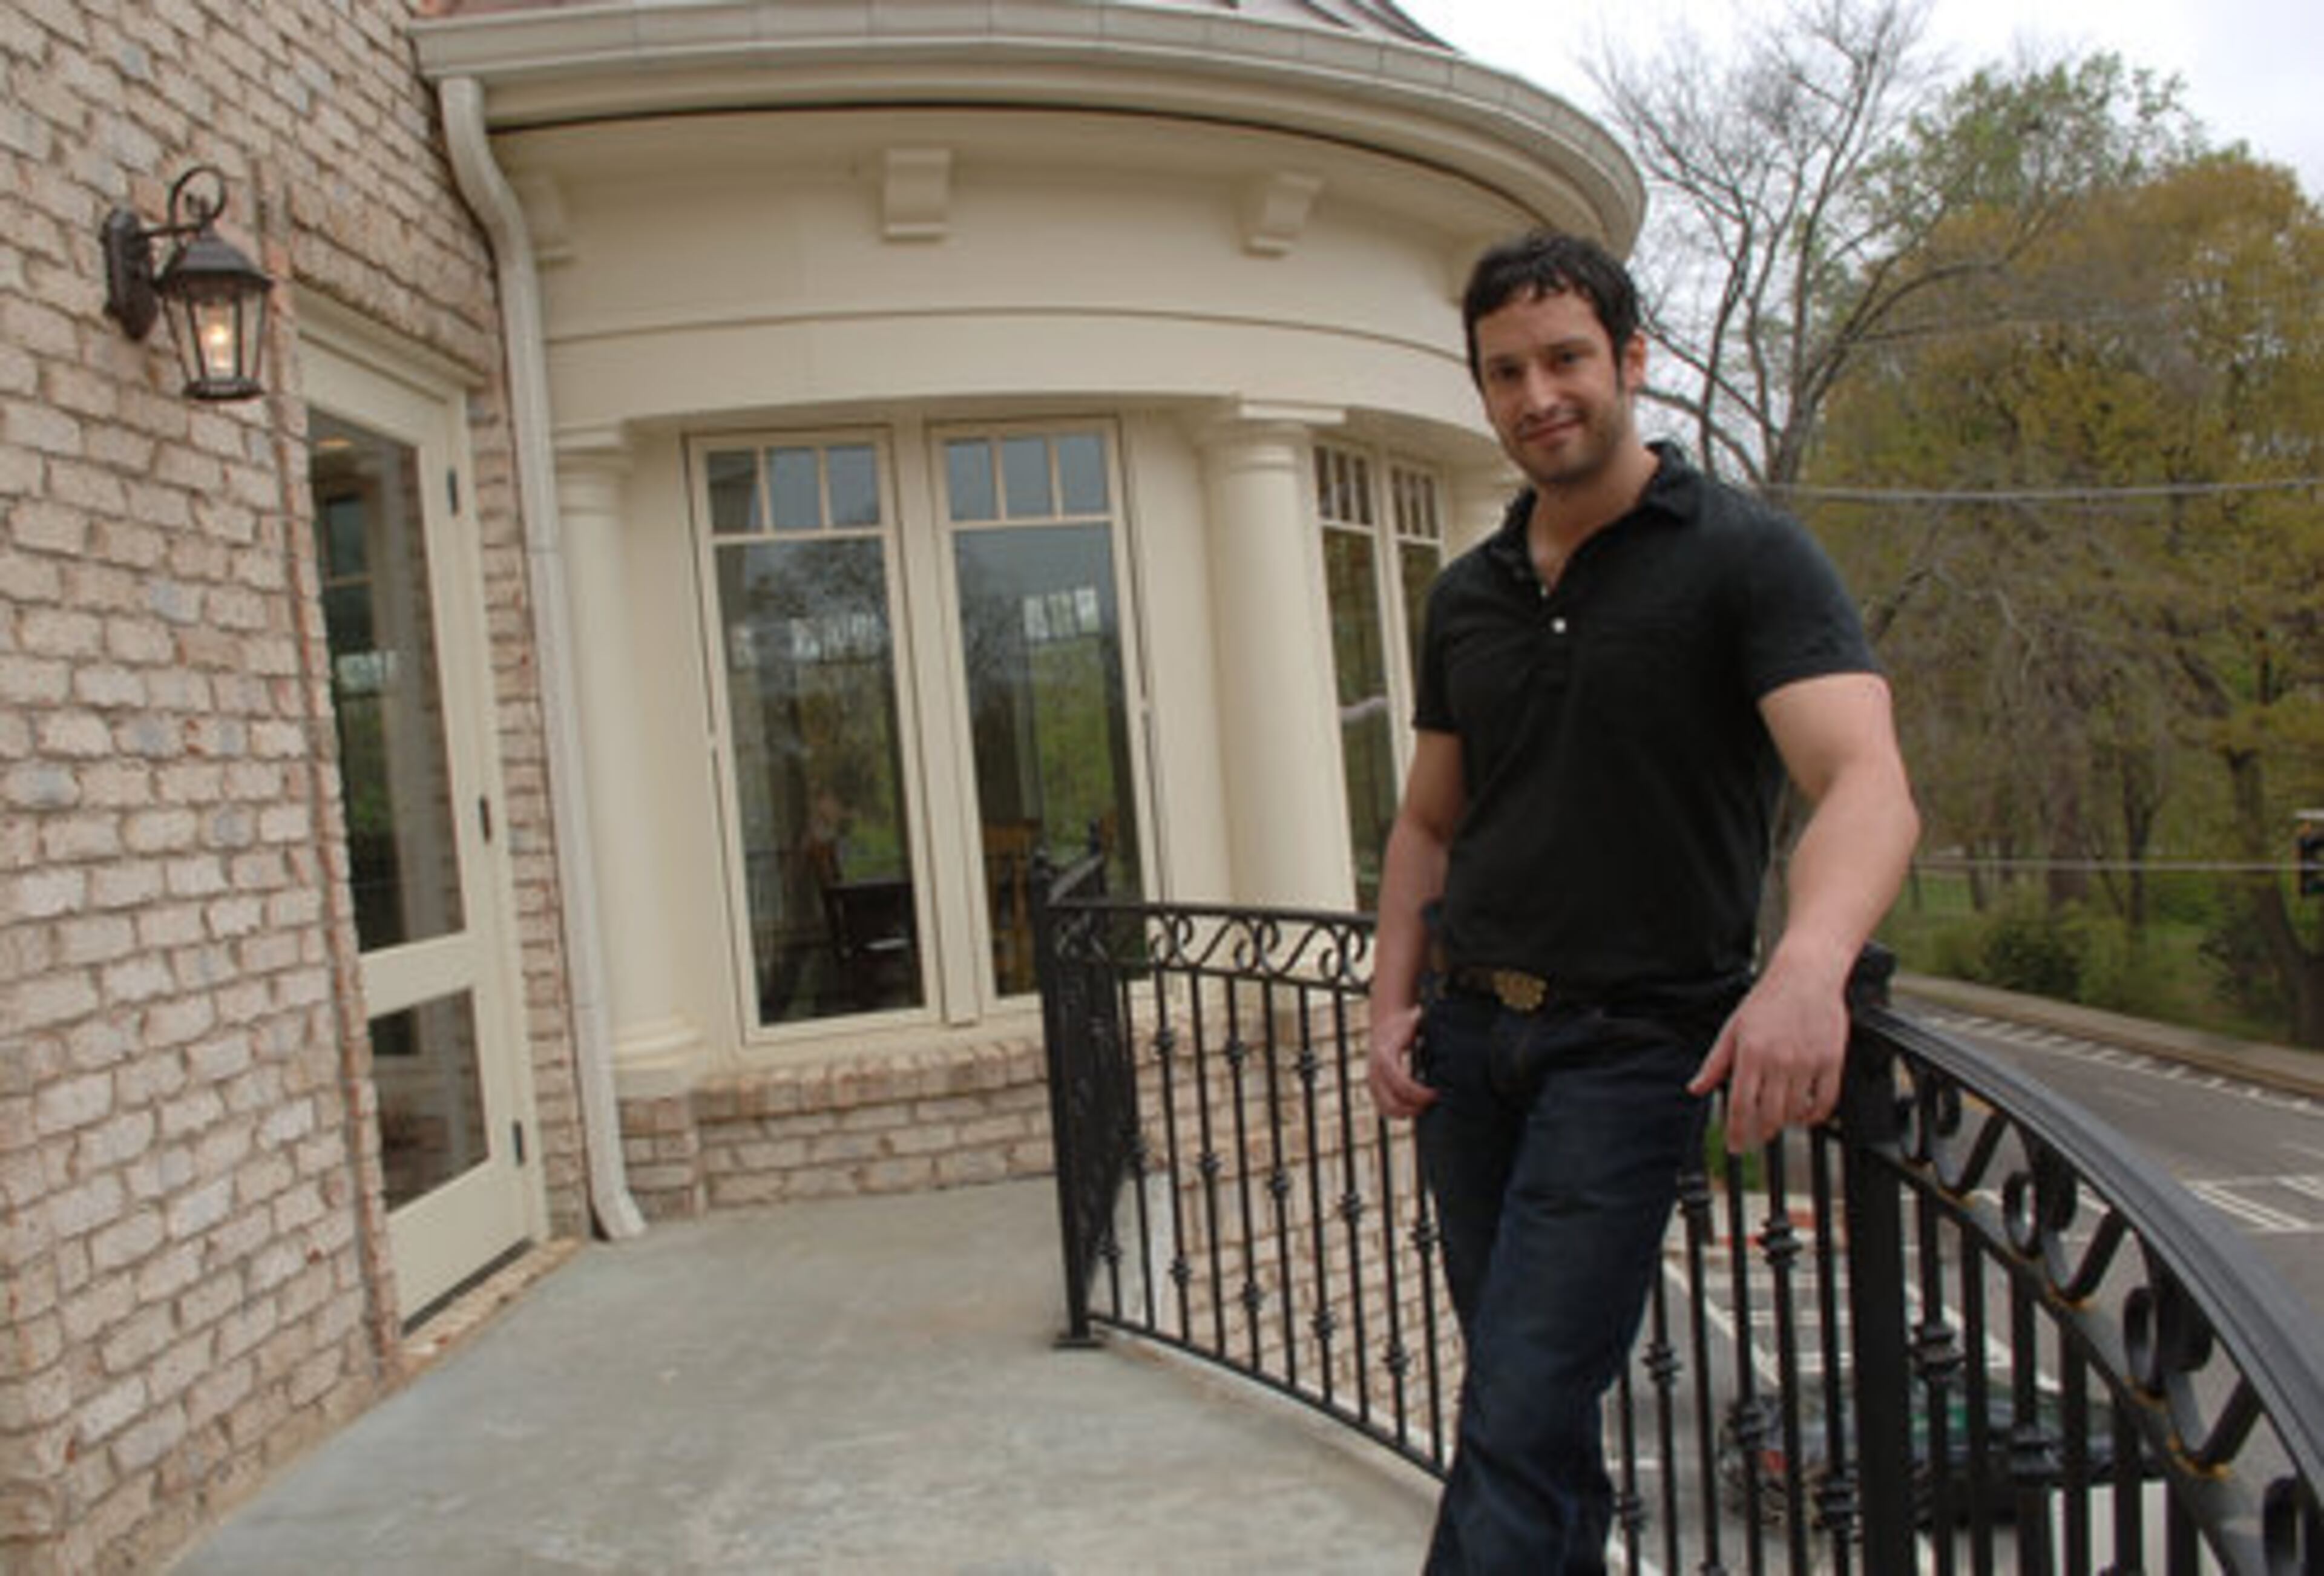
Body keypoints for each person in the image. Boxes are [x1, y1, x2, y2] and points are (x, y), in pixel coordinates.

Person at [1364, 230, 1920, 1574]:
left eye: (1566, 359)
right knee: (1533, 1421)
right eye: (1506, 372)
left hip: (1628, 1052)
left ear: (1631, 360)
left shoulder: (1745, 559)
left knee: (1514, 1415)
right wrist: (1389, 1004)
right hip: (1470, 1052)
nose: (1538, 394)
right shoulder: (1470, 595)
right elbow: (1430, 820)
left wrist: (1807, 968)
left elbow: (1866, 783)